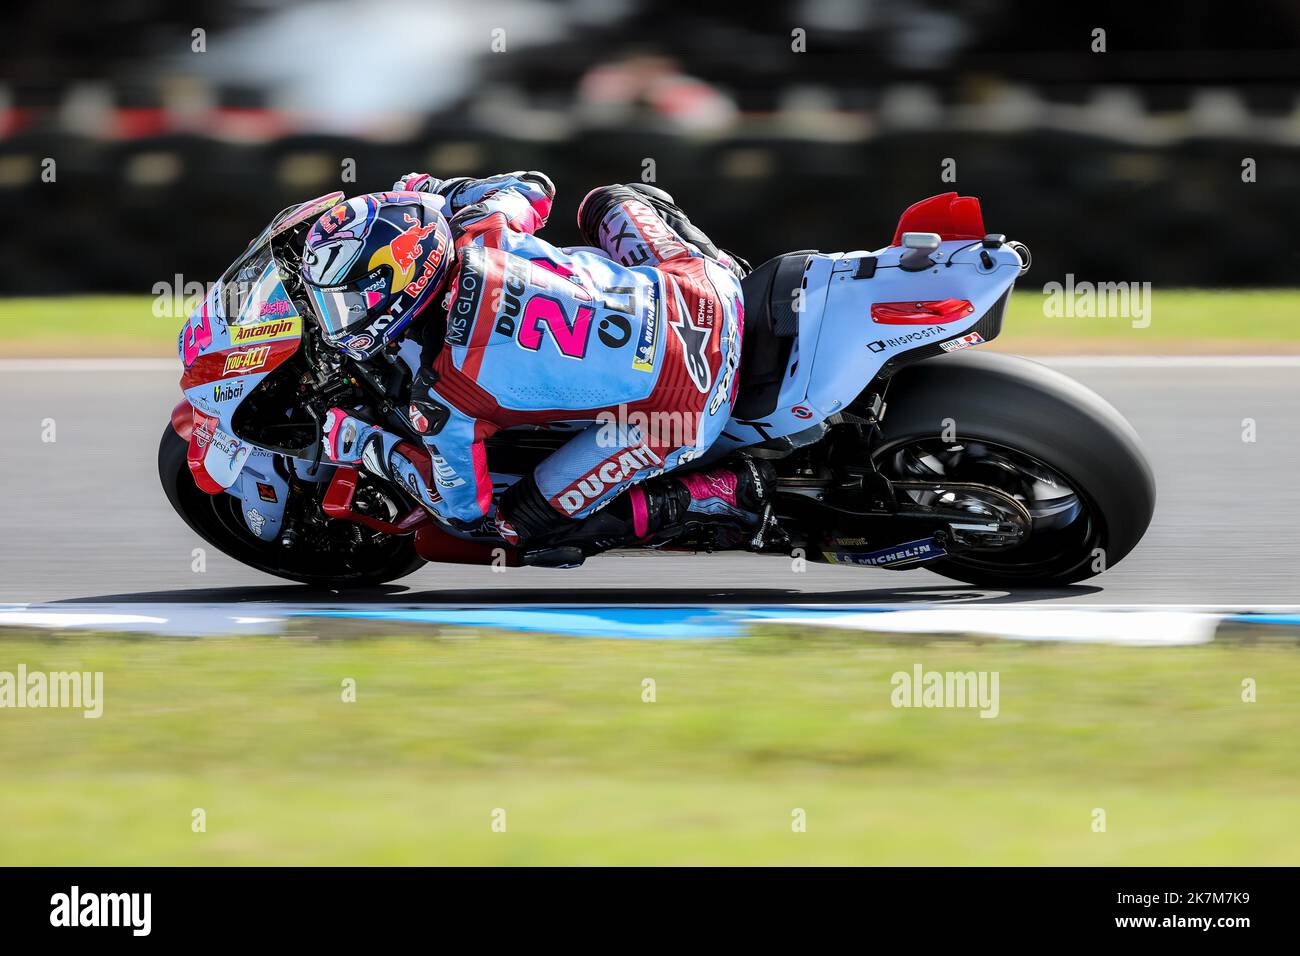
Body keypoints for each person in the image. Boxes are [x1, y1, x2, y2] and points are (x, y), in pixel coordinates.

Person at [299, 171, 777, 559]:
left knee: (511, 528)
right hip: (708, 291)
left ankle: (719, 494)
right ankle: (741, 277)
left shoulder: (444, 393)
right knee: (605, 199)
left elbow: (463, 510)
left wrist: (366, 445)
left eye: (350, 300)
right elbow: (537, 186)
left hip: (685, 410)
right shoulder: (482, 225)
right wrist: (444, 193)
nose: (341, 315)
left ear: (401, 277)